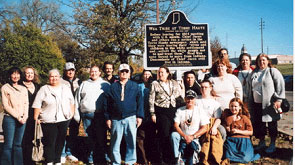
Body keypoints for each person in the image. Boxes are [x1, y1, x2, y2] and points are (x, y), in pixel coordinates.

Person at [32, 69, 75, 165]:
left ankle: (57, 160)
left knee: (60, 142)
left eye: (56, 76)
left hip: (63, 119)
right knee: (50, 142)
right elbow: (37, 104)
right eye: (52, 76)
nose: (54, 78)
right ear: (49, 78)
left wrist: (71, 114)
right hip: (48, 120)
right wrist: (36, 118)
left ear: (59, 77)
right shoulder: (44, 89)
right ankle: (50, 161)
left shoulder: (65, 88)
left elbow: (72, 102)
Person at [104, 63, 144, 165]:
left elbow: (140, 102)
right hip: (116, 119)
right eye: (122, 71)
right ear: (118, 73)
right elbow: (107, 104)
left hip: (131, 117)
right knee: (115, 142)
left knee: (131, 141)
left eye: (126, 71)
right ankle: (116, 162)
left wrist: (139, 116)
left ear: (129, 73)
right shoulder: (112, 87)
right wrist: (108, 118)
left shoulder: (135, 86)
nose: (124, 73)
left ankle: (130, 161)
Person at [248, 53, 285, 154]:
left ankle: (272, 144)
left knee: (272, 124)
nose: (261, 62)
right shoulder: (254, 73)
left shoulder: (272, 71)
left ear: (268, 61)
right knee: (259, 125)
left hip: (270, 104)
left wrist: (279, 100)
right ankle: (262, 142)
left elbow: (280, 85)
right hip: (257, 103)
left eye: (264, 60)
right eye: (259, 60)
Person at [75, 65, 110, 164]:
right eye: (92, 71)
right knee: (90, 138)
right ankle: (91, 157)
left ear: (99, 73)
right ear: (90, 73)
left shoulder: (105, 84)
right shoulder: (84, 84)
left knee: (102, 137)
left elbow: (110, 100)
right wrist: (77, 114)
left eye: (96, 71)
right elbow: (77, 100)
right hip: (87, 115)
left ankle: (104, 156)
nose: (94, 73)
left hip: (100, 115)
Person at [149, 65, 184, 163]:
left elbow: (179, 96)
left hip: (172, 110)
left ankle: (172, 158)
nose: (160, 74)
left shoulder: (173, 83)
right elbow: (151, 100)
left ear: (168, 73)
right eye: (159, 72)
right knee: (163, 133)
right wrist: (153, 114)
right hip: (161, 110)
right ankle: (161, 158)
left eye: (162, 72)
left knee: (171, 133)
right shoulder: (155, 84)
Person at [171, 90, 208, 165]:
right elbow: (176, 125)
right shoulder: (180, 110)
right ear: (185, 99)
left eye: (192, 98)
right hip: (182, 136)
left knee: (191, 160)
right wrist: (184, 136)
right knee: (174, 135)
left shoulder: (200, 110)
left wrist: (193, 136)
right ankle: (177, 157)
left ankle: (194, 158)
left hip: (195, 138)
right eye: (188, 98)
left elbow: (205, 127)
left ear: (195, 99)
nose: (190, 100)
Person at [1, 67, 29, 165]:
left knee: (18, 145)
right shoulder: (5, 88)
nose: (15, 76)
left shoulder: (23, 88)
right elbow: (6, 106)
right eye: (13, 74)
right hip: (10, 119)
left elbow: (26, 104)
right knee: (8, 145)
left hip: (22, 119)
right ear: (10, 75)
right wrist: (18, 117)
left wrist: (25, 116)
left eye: (17, 74)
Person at [223, 98, 260, 163]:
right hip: (232, 141)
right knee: (227, 157)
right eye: (231, 106)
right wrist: (227, 128)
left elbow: (251, 132)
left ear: (240, 107)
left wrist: (238, 131)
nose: (233, 108)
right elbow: (224, 125)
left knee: (245, 159)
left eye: (235, 106)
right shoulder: (228, 118)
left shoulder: (244, 118)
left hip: (243, 141)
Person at [60, 62, 81, 163]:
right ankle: (62, 153)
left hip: (76, 111)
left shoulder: (79, 81)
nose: (70, 72)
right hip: (64, 111)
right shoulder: (60, 81)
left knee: (74, 132)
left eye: (72, 70)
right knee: (62, 132)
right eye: (68, 70)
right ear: (65, 71)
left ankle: (69, 151)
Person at [21, 66, 41, 165]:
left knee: (32, 139)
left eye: (31, 73)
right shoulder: (20, 85)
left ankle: (31, 159)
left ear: (34, 75)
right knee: (23, 139)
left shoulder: (38, 86)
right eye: (27, 73)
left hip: (35, 116)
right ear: (24, 74)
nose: (29, 75)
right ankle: (23, 160)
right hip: (23, 116)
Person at [136, 70, 155, 164]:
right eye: (145, 74)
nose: (147, 76)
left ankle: (151, 157)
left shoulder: (154, 85)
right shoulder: (138, 87)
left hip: (151, 116)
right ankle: (143, 159)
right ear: (142, 76)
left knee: (150, 137)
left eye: (149, 74)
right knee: (140, 137)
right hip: (141, 115)